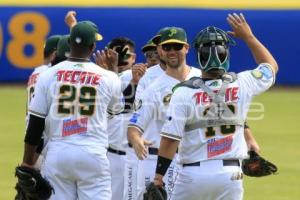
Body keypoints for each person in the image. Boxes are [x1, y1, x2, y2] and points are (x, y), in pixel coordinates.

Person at [152, 13, 278, 200]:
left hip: (192, 176)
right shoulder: (243, 83)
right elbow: (270, 66)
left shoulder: (183, 92)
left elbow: (171, 139)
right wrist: (248, 37)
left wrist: (158, 177)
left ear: (198, 55)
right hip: (230, 176)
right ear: (226, 54)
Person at [21, 20, 124, 199]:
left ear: (68, 43)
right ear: (92, 47)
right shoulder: (108, 77)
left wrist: (28, 163)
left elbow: (36, 124)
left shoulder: (47, 75)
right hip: (93, 153)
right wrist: (114, 70)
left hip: (58, 152)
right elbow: (115, 111)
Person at [127, 27, 202, 199]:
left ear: (187, 48)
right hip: (154, 159)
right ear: (161, 50)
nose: (172, 51)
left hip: (192, 160)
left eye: (177, 46)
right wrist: (136, 138)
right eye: (167, 47)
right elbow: (134, 124)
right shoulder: (153, 87)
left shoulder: (201, 78)